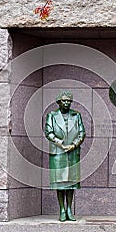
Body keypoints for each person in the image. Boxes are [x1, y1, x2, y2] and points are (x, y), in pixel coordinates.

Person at [45, 91, 85, 222]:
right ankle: (62, 209)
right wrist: (61, 144)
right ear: (58, 102)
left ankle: (69, 209)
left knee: (71, 183)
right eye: (64, 101)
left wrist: (73, 145)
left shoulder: (76, 115)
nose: (67, 103)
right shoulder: (52, 115)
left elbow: (81, 132)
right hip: (58, 153)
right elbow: (48, 132)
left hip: (73, 152)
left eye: (69, 101)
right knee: (60, 183)